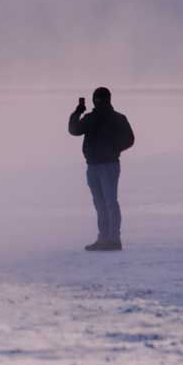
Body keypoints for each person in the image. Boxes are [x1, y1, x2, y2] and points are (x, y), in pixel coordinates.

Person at [68, 87, 135, 251]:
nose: (98, 101)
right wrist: (78, 112)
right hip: (93, 166)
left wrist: (113, 149)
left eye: (99, 98)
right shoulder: (92, 118)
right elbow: (74, 130)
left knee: (109, 203)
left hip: (108, 166)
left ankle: (113, 239)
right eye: (96, 98)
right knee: (101, 203)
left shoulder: (116, 118)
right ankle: (104, 238)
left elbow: (129, 139)